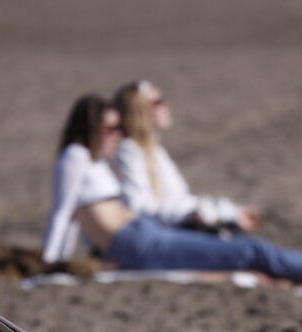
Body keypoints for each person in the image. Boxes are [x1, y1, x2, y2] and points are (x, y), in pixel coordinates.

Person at [41, 94, 302, 305]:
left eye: (119, 128)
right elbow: (63, 215)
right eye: (109, 129)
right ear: (86, 128)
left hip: (141, 232)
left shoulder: (92, 160)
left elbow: (83, 219)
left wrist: (94, 254)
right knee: (250, 252)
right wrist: (50, 267)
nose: (117, 135)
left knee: (236, 251)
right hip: (137, 241)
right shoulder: (73, 157)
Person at [111, 80, 260, 233]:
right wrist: (192, 216)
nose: (166, 105)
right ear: (139, 112)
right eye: (158, 102)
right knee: (256, 250)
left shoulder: (154, 151)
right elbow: (141, 207)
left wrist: (231, 212)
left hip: (176, 228)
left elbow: (181, 201)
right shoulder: (128, 151)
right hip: (166, 235)